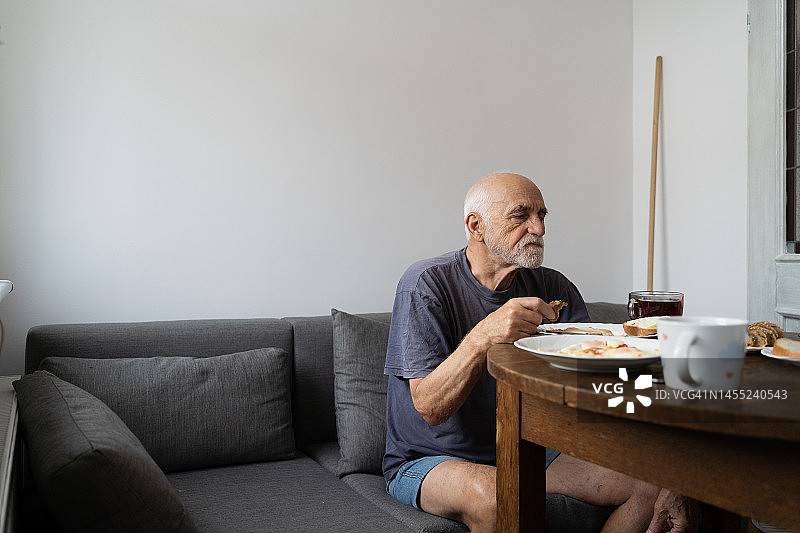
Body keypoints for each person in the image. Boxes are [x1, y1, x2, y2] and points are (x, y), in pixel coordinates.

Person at [382, 172, 700, 533]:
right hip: (429, 459)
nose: (539, 228)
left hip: (530, 448)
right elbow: (430, 408)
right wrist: (484, 334)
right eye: (521, 215)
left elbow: (596, 384)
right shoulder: (426, 284)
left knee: (650, 485)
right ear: (476, 226)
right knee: (499, 495)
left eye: (542, 215)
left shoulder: (552, 285)